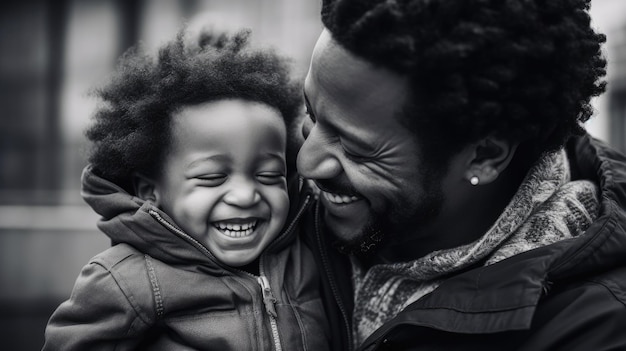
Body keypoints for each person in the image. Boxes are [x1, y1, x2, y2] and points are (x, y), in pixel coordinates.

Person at [296, 0, 626, 350]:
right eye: (311, 114)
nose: (305, 163)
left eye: (355, 149)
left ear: (484, 156)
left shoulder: (593, 331)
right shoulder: (264, 192)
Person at [42, 27, 330, 350]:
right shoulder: (127, 280)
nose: (246, 195)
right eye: (211, 178)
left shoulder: (305, 251)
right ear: (150, 191)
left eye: (268, 175)